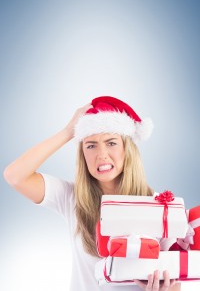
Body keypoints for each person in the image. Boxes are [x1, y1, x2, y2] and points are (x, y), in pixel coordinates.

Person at [4, 96, 181, 291]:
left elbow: (175, 280)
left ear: (127, 149)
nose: (101, 154)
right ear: (83, 154)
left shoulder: (160, 206)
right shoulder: (72, 197)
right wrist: (67, 132)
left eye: (111, 143)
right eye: (91, 145)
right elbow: (15, 175)